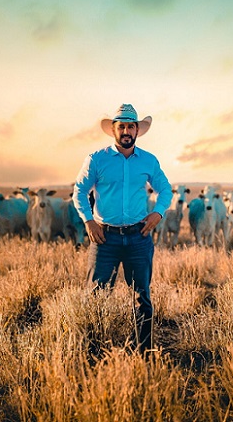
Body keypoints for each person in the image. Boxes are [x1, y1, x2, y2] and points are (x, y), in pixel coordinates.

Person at [73, 104, 173, 354]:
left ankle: (145, 354)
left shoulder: (148, 160)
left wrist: (157, 213)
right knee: (96, 297)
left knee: (142, 299)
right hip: (104, 238)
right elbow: (80, 191)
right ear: (114, 130)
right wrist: (88, 220)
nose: (126, 131)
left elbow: (166, 189)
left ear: (137, 130)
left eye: (131, 126)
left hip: (138, 237)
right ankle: (93, 354)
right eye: (122, 127)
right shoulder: (97, 159)